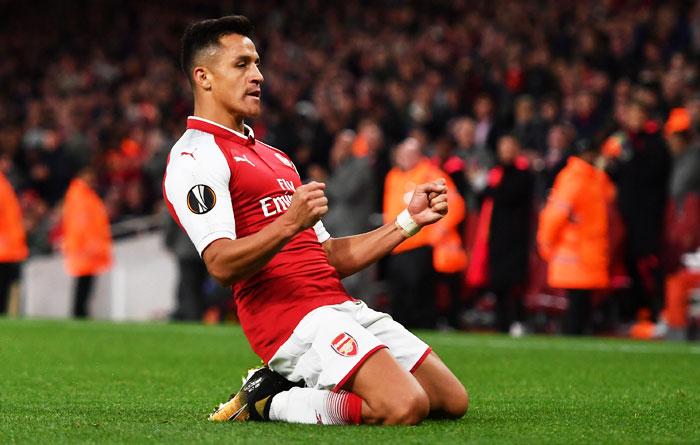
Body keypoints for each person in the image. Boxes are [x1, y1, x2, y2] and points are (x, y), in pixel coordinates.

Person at [163, 16, 467, 426]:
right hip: (289, 318)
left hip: (337, 304)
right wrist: (289, 223)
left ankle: (293, 388)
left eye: (257, 63)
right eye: (242, 64)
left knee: (450, 400)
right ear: (204, 77)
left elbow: (329, 256)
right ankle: (271, 402)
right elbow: (220, 265)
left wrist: (406, 223)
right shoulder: (194, 158)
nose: (258, 75)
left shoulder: (276, 157)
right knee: (403, 406)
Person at [383, 138, 465, 329]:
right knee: (398, 294)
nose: (404, 158)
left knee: (418, 294)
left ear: (418, 155)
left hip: (419, 244)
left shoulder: (430, 173)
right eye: (402, 153)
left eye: (410, 153)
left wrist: (437, 231)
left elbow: (455, 204)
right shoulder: (392, 176)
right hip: (395, 244)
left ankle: (424, 330)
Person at [537, 140, 615, 335]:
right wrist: (546, 241)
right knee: (577, 302)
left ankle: (576, 335)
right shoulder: (575, 178)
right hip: (576, 251)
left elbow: (611, 195)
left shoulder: (593, 177)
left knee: (583, 302)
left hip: (588, 250)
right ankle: (571, 335)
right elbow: (556, 214)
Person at [467, 135, 534, 334]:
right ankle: (502, 323)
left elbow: (507, 196)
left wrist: (483, 186)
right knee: (498, 283)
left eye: (509, 147)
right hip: (496, 237)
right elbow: (486, 200)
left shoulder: (523, 175)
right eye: (502, 147)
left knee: (514, 283)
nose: (505, 152)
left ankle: (518, 321)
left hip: (516, 238)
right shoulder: (496, 173)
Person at [62, 166, 113, 318]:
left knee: (85, 284)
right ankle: (79, 313)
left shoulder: (83, 194)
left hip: (87, 247)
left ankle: (80, 312)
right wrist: (90, 244)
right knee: (83, 284)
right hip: (85, 248)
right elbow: (82, 223)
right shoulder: (80, 195)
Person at [0, 168, 28, 314]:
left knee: (7, 287)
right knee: (4, 288)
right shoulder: (3, 184)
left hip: (9, 247)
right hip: (5, 247)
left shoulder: (5, 183)